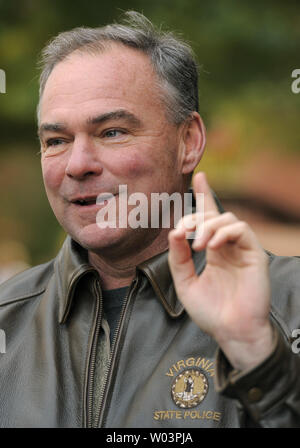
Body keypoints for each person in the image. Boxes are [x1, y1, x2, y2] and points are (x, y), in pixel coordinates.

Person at [0, 11, 299, 428]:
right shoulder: (6, 321)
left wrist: (259, 360)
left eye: (112, 132)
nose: (78, 164)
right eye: (56, 141)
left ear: (188, 143)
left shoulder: (290, 305)